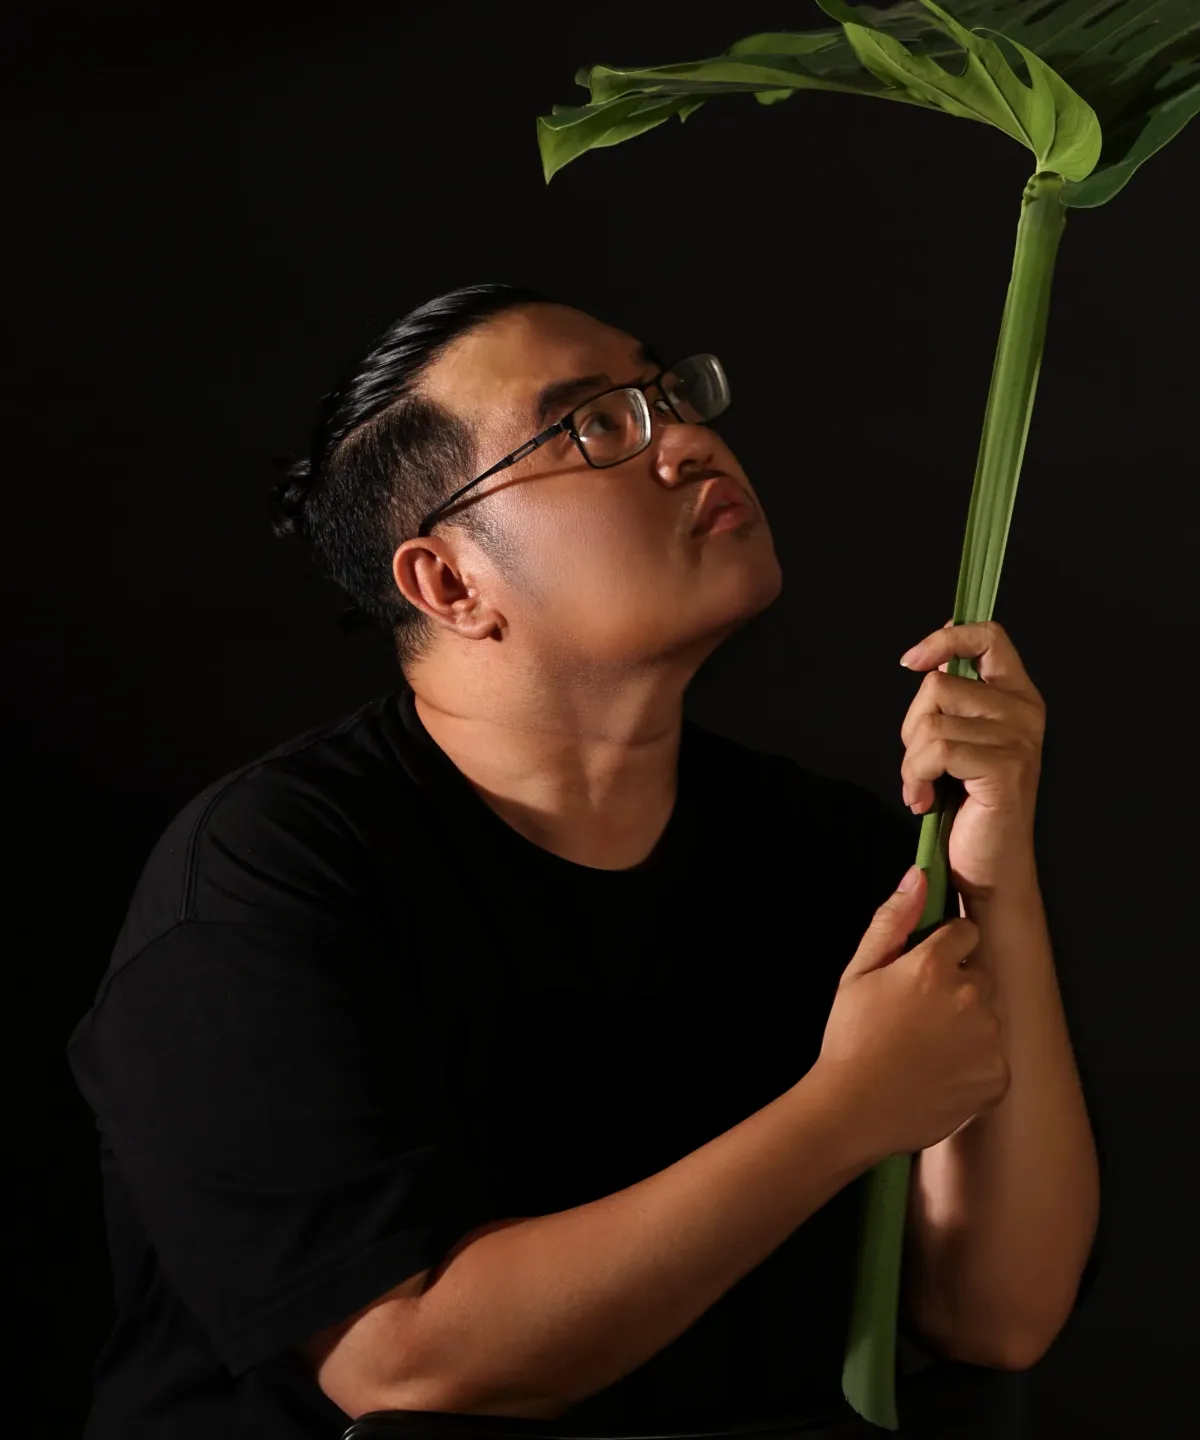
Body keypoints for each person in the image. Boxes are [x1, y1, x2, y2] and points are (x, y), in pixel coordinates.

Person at [67, 283, 1096, 1440]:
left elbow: (997, 1315)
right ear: (449, 583)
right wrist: (843, 1112)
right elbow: (404, 1365)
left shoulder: (826, 846)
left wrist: (993, 855)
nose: (689, 439)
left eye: (667, 393)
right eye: (594, 426)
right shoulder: (267, 880)